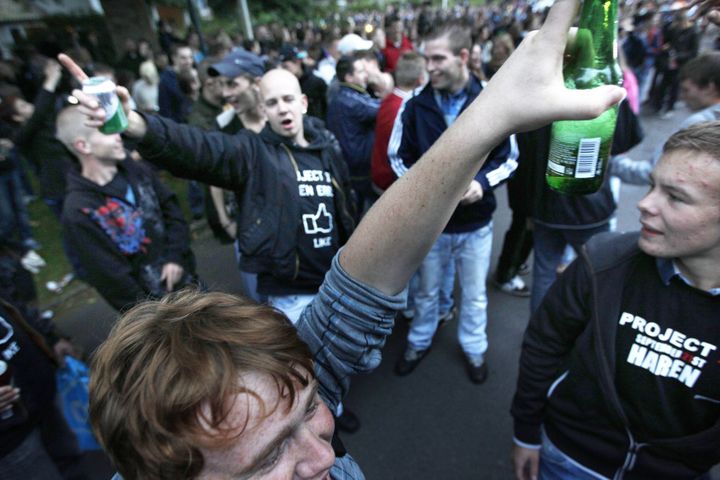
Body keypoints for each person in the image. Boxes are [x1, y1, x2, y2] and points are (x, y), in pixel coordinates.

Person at [59, 0, 626, 473]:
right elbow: (195, 149)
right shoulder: (252, 154)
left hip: (321, 289)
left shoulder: (325, 145)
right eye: (270, 456)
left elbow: (361, 280)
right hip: (286, 292)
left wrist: (492, 114)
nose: (323, 455)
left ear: (303, 103)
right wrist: (131, 125)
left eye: (309, 409)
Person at [511, 120, 720, 480]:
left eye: (676, 197)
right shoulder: (604, 262)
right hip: (569, 457)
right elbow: (544, 345)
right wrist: (526, 432)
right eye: (653, 185)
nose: (644, 204)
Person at [391, 23, 518, 384]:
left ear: (463, 57)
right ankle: (419, 341)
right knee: (428, 293)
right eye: (426, 57)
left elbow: (508, 158)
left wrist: (480, 183)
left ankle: (474, 348)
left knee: (475, 295)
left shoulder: (492, 102)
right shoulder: (414, 106)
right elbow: (398, 156)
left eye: (437, 58)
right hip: (433, 226)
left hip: (476, 225)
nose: (428, 66)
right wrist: (428, 190)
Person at [55, 107, 199, 311]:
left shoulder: (134, 168)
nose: (117, 134)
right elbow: (112, 280)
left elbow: (171, 209)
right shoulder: (79, 211)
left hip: (191, 285)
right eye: (106, 130)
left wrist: (175, 256)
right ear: (83, 145)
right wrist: (150, 318)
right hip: (157, 316)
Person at [327, 54, 381, 215]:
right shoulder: (350, 100)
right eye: (361, 71)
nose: (367, 75)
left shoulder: (341, 95)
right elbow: (384, 109)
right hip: (360, 169)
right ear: (349, 77)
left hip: (350, 166)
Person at [157, 44, 194, 123]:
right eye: (183, 58)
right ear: (174, 58)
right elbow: (165, 112)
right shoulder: (166, 81)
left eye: (190, 57)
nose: (188, 61)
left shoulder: (193, 74)